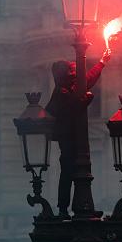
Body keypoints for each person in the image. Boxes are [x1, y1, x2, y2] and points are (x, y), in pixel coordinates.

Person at [45, 49, 111, 219]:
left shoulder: (67, 88)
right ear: (63, 75)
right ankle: (64, 209)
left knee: (80, 173)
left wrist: (102, 62)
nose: (74, 70)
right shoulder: (61, 92)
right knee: (70, 173)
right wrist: (87, 100)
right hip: (68, 140)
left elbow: (86, 80)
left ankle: (82, 206)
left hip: (73, 139)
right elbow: (74, 106)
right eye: (70, 69)